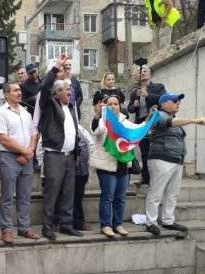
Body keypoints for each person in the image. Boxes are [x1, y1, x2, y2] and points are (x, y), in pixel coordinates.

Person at [145, 93, 205, 236]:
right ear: (164, 104)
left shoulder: (172, 118)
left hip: (176, 160)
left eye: (179, 101)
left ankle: (168, 220)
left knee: (172, 194)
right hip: (161, 159)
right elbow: (169, 123)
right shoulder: (159, 115)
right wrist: (194, 120)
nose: (178, 103)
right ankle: (151, 222)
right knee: (156, 193)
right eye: (175, 101)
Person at [40, 53, 82, 240]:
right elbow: (45, 86)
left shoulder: (71, 108)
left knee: (68, 192)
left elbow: (74, 132)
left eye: (71, 90)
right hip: (54, 155)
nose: (70, 93)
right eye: (67, 90)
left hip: (69, 156)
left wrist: (77, 151)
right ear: (57, 92)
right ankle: (47, 226)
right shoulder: (50, 104)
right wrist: (57, 66)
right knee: (52, 192)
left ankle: (66, 224)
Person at [0, 82, 39, 244]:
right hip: (9, 158)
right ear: (6, 94)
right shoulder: (0, 113)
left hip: (27, 158)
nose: (19, 93)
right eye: (16, 90)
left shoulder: (26, 113)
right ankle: (6, 229)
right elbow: (3, 138)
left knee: (25, 195)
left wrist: (29, 151)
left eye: (20, 90)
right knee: (7, 196)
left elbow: (35, 133)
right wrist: (25, 152)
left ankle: (24, 227)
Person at [89, 95, 134, 238]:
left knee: (120, 197)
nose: (113, 106)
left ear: (120, 105)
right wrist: (97, 115)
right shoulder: (103, 120)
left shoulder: (126, 121)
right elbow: (95, 130)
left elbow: (135, 135)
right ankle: (105, 225)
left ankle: (118, 224)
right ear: (105, 106)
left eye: (116, 103)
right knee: (108, 197)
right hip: (106, 165)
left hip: (123, 165)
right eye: (110, 104)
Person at [128, 65, 166, 187]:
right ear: (137, 76)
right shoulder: (135, 92)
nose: (142, 73)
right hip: (142, 124)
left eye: (145, 71)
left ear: (149, 75)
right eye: (140, 71)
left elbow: (163, 100)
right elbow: (130, 109)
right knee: (144, 152)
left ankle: (157, 178)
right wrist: (135, 105)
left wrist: (147, 95)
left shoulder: (158, 87)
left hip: (155, 124)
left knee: (156, 151)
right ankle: (145, 178)